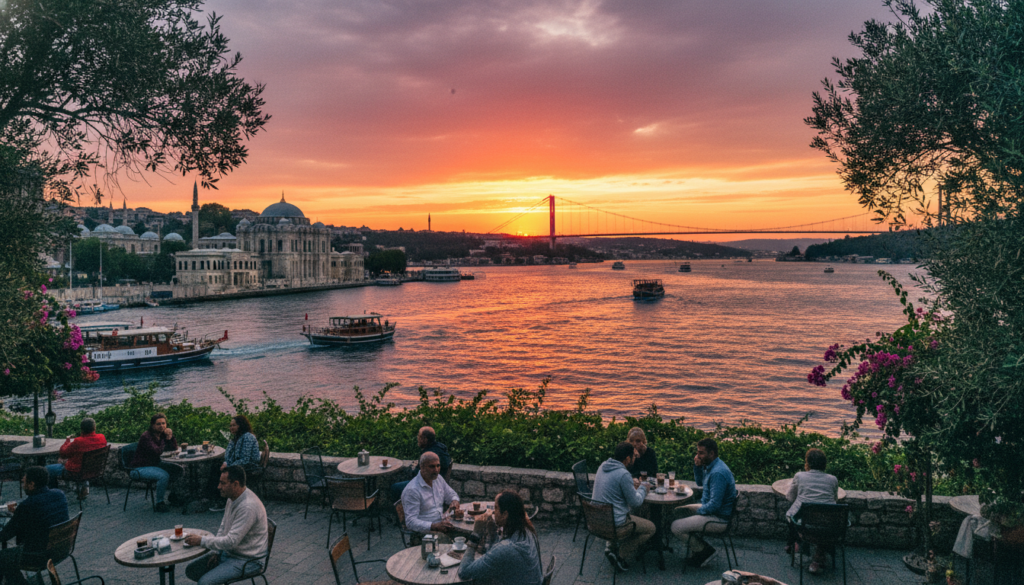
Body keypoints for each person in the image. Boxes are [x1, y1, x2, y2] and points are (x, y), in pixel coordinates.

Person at [185, 466, 269, 585]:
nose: (219, 486)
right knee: (192, 570)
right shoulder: (232, 498)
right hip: (230, 553)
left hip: (248, 561)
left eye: (222, 483)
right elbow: (224, 526)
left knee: (205, 583)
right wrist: (217, 551)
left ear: (235, 484)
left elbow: (231, 542)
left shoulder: (247, 507)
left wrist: (201, 540)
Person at [670, 438, 737, 567]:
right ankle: (697, 550)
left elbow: (715, 505)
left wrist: (697, 512)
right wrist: (697, 467)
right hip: (711, 510)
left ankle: (705, 551)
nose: (697, 456)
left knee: (676, 527)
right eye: (697, 452)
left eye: (701, 453)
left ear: (711, 454)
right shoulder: (711, 466)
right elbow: (701, 483)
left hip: (718, 518)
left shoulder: (718, 473)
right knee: (678, 511)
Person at [591, 442, 656, 572]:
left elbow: (615, 483)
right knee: (651, 528)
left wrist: (630, 482)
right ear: (627, 458)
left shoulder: (603, 466)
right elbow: (636, 502)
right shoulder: (623, 473)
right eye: (633, 456)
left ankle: (611, 547)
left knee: (627, 513)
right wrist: (644, 487)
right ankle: (620, 554)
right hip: (615, 525)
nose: (634, 459)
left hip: (596, 521)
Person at [458, 490, 543, 585]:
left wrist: (475, 535)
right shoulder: (527, 531)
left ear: (505, 515)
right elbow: (494, 555)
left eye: (496, 508)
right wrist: (492, 531)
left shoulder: (506, 549)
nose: (494, 512)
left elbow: (464, 572)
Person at [0, 466, 70, 578]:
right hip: (62, 549)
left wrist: (19, 514)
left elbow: (5, 535)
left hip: (39, 556)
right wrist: (20, 514)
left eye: (24, 482)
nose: (23, 486)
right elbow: (42, 516)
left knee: (3, 558)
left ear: (32, 484)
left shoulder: (27, 506)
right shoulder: (59, 494)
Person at [786, 448, 838, 574]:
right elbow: (835, 500)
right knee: (820, 522)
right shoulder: (833, 479)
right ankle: (818, 555)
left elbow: (790, 497)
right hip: (828, 528)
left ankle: (796, 543)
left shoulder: (800, 476)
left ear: (807, 463)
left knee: (792, 515)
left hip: (805, 528)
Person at [131, 412, 184, 513]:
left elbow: (173, 448)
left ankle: (173, 496)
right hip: (140, 468)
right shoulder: (146, 437)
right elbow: (157, 451)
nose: (162, 426)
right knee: (163, 476)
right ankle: (159, 503)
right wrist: (164, 439)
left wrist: (171, 437)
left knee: (178, 469)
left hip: (154, 464)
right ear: (152, 425)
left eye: (163, 423)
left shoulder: (161, 435)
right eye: (158, 424)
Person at [400, 451, 460, 538]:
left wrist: (454, 501)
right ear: (422, 467)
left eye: (438, 465)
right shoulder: (412, 490)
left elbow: (452, 494)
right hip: (425, 534)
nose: (436, 470)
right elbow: (410, 522)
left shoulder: (438, 478)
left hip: (442, 525)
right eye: (432, 466)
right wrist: (434, 526)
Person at [208, 415, 260, 512]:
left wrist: (229, 466)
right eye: (230, 425)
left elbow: (245, 459)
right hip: (239, 465)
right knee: (215, 465)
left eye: (234, 425)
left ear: (240, 426)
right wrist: (226, 463)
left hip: (249, 467)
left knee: (221, 472)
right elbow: (228, 454)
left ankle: (220, 500)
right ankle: (213, 497)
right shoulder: (236, 438)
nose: (231, 428)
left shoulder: (248, 437)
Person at [45, 417, 106, 499]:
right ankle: (84, 485)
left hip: (76, 473)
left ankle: (55, 496)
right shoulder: (102, 437)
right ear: (94, 428)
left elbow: (63, 453)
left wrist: (67, 441)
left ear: (82, 429)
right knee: (69, 463)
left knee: (48, 469)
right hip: (94, 471)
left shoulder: (79, 441)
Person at [390, 426, 453, 503]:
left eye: (419, 436)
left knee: (395, 487)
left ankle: (400, 513)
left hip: (428, 486)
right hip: (437, 484)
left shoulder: (429, 454)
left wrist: (414, 468)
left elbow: (417, 475)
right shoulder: (441, 447)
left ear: (425, 439)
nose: (417, 438)